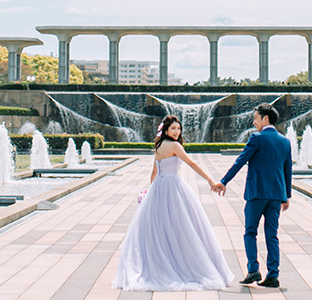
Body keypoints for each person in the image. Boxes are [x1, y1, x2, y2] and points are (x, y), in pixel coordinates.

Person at [113, 115, 234, 291]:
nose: (177, 132)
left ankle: (165, 261)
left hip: (159, 188)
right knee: (182, 226)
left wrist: (150, 191)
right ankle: (180, 263)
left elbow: (154, 171)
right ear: (166, 130)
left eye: (178, 129)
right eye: (173, 129)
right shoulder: (175, 146)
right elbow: (191, 164)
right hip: (173, 187)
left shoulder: (159, 146)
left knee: (161, 228)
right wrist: (210, 180)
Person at [212, 102, 292, 289]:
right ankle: (273, 275)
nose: (254, 122)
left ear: (265, 118)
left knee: (250, 232)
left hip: (257, 194)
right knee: (272, 235)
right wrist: (287, 196)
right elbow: (288, 170)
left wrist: (223, 181)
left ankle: (253, 269)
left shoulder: (257, 138)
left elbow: (240, 161)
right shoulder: (285, 141)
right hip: (276, 196)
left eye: (255, 118)